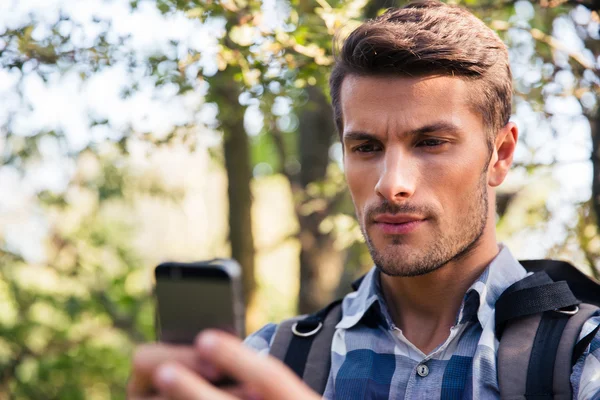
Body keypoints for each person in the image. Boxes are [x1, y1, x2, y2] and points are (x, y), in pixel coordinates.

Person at [127, 1, 600, 399]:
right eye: (366, 148)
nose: (391, 184)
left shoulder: (582, 355)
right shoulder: (270, 360)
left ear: (500, 154)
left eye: (431, 143)